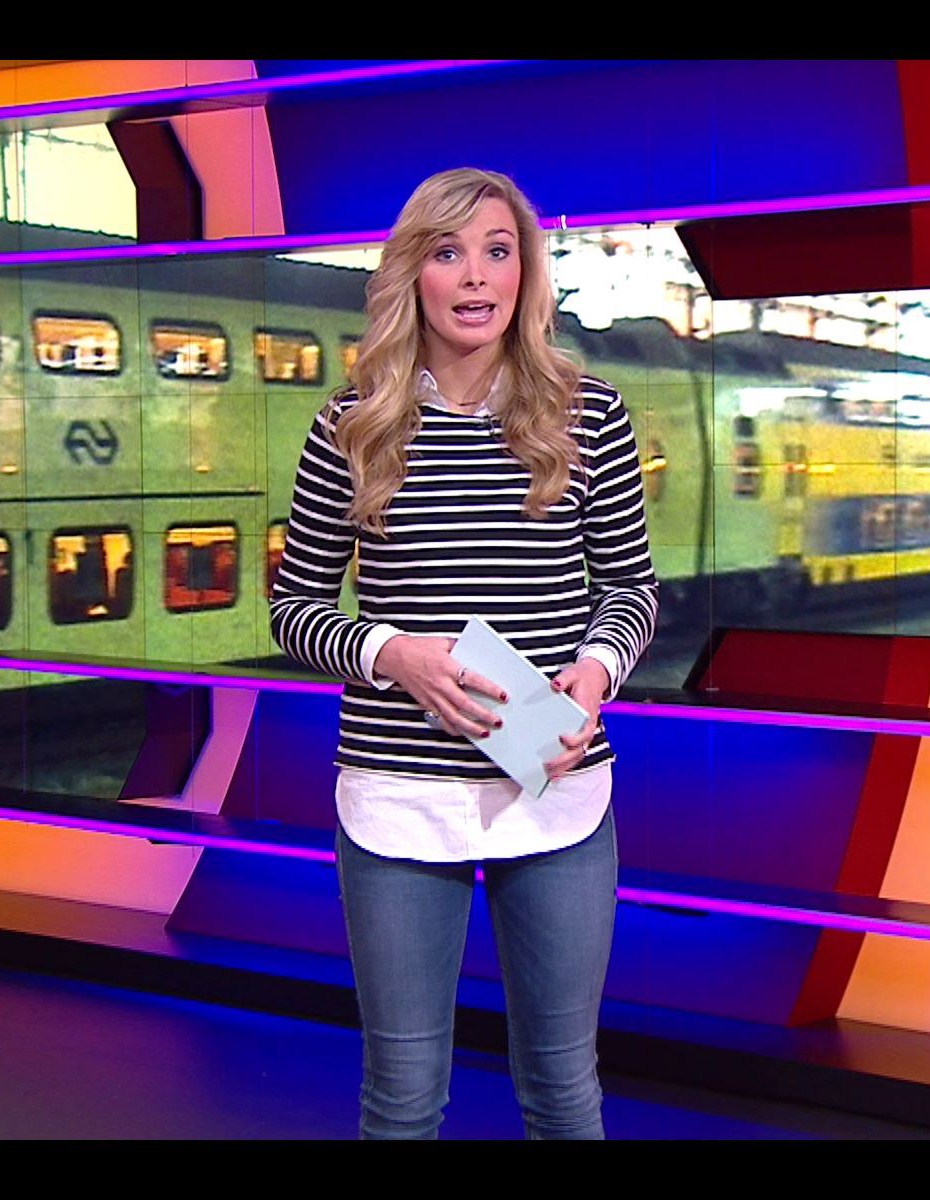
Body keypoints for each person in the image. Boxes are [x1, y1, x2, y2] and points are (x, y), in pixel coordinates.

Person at [269, 168, 658, 1139]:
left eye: (498, 251)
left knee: (564, 1089)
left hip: (555, 791)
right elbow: (292, 607)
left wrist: (595, 673)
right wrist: (390, 651)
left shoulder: (590, 413)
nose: (476, 275)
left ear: (526, 273)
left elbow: (630, 590)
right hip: (398, 801)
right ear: (414, 273)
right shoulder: (351, 424)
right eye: (448, 252)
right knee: (403, 1099)